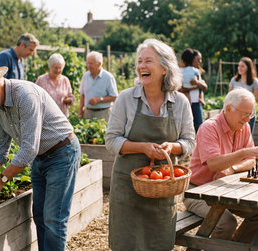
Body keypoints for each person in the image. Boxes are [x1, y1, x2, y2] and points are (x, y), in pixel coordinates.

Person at [0, 60, 81, 251]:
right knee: (40, 215)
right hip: (40, 158)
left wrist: (0, 180)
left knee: (54, 218)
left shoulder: (25, 96)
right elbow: (0, 146)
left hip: (62, 153)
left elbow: (28, 149)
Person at [105, 39, 196, 250]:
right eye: (139, 61)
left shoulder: (180, 102)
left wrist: (172, 148)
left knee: (159, 243)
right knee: (126, 243)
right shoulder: (126, 99)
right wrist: (143, 147)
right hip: (128, 187)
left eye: (148, 61)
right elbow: (111, 140)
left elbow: (189, 141)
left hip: (162, 188)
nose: (141, 66)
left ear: (164, 68)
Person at [184, 88, 258, 242]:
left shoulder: (244, 127)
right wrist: (243, 153)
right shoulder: (209, 127)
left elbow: (251, 161)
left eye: (250, 115)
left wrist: (232, 168)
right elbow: (213, 164)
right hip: (197, 192)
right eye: (245, 114)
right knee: (226, 223)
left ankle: (237, 247)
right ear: (229, 109)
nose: (247, 119)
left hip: (224, 189)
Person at [78, 51, 118, 121]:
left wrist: (99, 99)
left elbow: (114, 97)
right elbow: (83, 95)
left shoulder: (108, 77)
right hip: (88, 113)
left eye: (91, 63)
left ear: (99, 64)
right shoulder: (86, 76)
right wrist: (80, 111)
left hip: (103, 113)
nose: (88, 66)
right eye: (87, 63)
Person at [229, 57, 258, 133]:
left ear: (248, 68)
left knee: (247, 134)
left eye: (242, 66)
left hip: (248, 113)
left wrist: (245, 100)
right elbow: (229, 97)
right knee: (235, 134)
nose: (239, 68)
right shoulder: (234, 80)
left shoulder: (254, 81)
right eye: (239, 66)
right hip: (235, 112)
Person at [180, 48, 207, 132]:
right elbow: (180, 88)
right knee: (192, 126)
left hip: (194, 101)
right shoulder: (188, 71)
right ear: (191, 60)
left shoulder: (195, 71)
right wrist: (195, 86)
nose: (200, 62)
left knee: (198, 126)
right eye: (198, 59)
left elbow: (203, 87)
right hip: (186, 102)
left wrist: (195, 84)